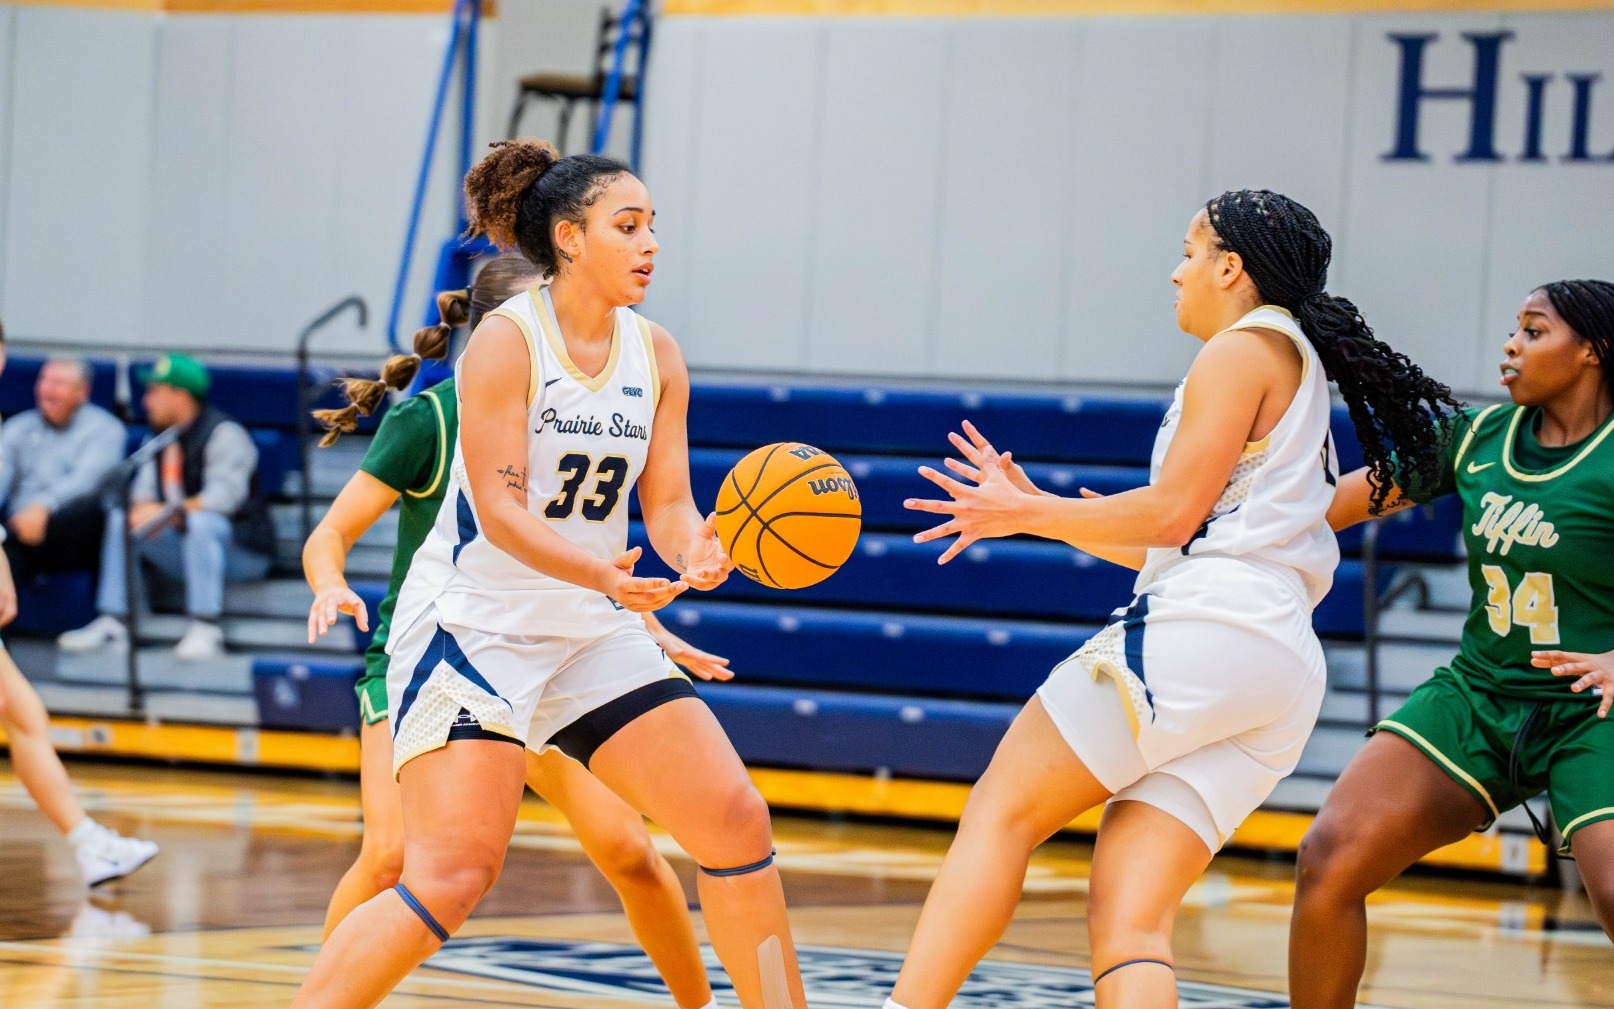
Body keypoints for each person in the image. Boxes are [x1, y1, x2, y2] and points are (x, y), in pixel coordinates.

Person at [888, 190, 1458, 1009]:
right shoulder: (1294, 368)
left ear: (1231, 268)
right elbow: (1179, 538)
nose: (1175, 271)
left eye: (1190, 253)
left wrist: (1027, 512)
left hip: (1210, 627)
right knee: (1130, 916)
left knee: (1000, 811)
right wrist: (1039, 510)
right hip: (1277, 666)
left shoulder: (1241, 351)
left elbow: (1172, 516)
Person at [288, 140, 808, 1009]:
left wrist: (697, 549)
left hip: (586, 628)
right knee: (450, 873)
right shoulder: (505, 343)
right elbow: (502, 513)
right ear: (570, 237)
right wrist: (608, 579)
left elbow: (668, 504)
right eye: (627, 226)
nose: (650, 243)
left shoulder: (658, 353)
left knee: (734, 819)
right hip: (473, 630)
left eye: (653, 226)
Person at [1289, 278, 1614, 1009]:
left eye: (1534, 331)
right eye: (1515, 329)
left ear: (1592, 351)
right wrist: (1188, 516)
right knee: (1330, 857)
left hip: (1593, 709)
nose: (1511, 345)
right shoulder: (1475, 437)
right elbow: (1326, 508)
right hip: (1480, 693)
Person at [0, 319, 159, 886]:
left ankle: (90, 843)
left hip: (57, 532)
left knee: (24, 715)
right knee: (22, 714)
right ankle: (89, 843)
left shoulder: (94, 430)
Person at [58, 354, 276, 661]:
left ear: (181, 395)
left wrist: (168, 513)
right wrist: (142, 511)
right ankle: (116, 621)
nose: (146, 402)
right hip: (184, 546)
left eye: (154, 392)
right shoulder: (159, 439)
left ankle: (205, 626)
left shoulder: (225, 434)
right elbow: (143, 493)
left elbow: (224, 499)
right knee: (122, 519)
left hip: (242, 551)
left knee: (201, 521)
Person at [0, 356, 125, 582]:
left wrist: (42, 505)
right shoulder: (18, 427)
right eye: (44, 381)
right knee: (7, 552)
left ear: (82, 392)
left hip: (73, 532)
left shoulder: (106, 429)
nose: (48, 390)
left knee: (95, 510)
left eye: (58, 383)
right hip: (19, 527)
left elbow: (88, 481)